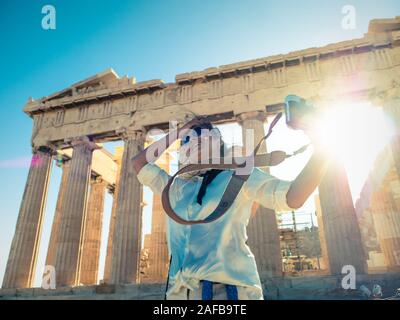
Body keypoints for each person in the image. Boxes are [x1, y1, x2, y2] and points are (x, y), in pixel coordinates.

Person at [132, 114, 331, 300]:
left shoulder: (240, 175)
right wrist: (179, 131)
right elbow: (139, 162)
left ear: (219, 144)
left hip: (229, 291)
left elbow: (291, 197)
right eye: (188, 139)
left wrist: (324, 148)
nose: (195, 140)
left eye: (203, 135)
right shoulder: (174, 188)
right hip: (178, 294)